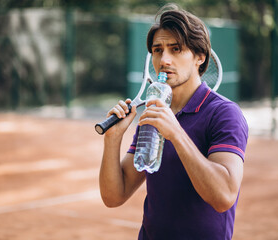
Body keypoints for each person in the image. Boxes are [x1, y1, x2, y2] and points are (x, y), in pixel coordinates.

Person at [99, 3, 248, 240]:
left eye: (176, 49)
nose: (164, 59)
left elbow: (223, 197)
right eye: (158, 50)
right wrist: (112, 139)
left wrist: (176, 134)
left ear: (200, 56)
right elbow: (114, 196)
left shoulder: (224, 114)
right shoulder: (154, 112)